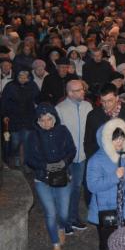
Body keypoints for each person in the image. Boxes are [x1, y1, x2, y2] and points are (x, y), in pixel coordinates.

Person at [87, 119, 125, 250]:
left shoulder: (124, 155)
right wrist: (114, 177)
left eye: (122, 138)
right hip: (107, 209)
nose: (120, 142)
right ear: (106, 139)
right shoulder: (96, 160)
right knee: (108, 247)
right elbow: (92, 185)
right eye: (116, 138)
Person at [24, 103, 76, 250]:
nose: (46, 123)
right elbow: (29, 159)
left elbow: (72, 150)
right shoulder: (33, 135)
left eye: (49, 119)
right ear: (38, 121)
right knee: (50, 213)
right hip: (42, 179)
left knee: (64, 214)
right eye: (42, 120)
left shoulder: (63, 130)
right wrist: (45, 166)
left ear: (54, 119)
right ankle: (55, 244)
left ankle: (61, 227)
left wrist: (64, 162)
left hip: (63, 177)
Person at [55, 79, 93, 232]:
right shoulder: (60, 109)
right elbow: (57, 135)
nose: (83, 92)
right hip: (67, 157)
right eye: (79, 90)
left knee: (76, 188)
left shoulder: (87, 106)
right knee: (65, 189)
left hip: (82, 155)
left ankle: (73, 218)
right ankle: (63, 221)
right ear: (70, 93)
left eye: (83, 89)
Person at [84, 83, 125, 162]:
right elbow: (89, 143)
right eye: (103, 101)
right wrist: (94, 162)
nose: (106, 105)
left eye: (110, 101)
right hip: (103, 161)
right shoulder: (93, 115)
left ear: (117, 98)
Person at [0, 69, 39, 168]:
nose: (23, 79)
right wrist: (4, 115)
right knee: (14, 141)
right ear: (16, 76)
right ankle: (15, 158)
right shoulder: (10, 86)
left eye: (25, 77)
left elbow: (38, 99)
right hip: (14, 118)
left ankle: (25, 162)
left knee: (27, 141)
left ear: (29, 77)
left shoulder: (33, 86)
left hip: (28, 118)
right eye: (20, 77)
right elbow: (4, 101)